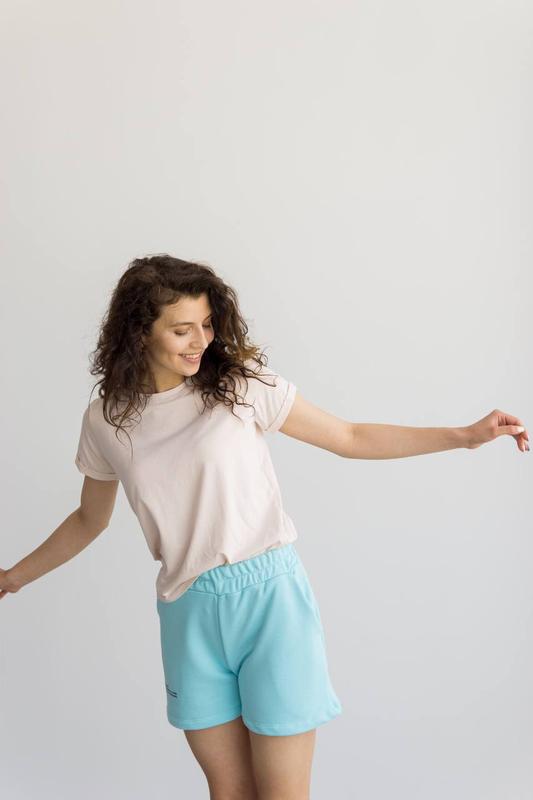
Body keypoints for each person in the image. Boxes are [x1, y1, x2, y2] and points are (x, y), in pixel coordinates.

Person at [0, 255, 528, 800]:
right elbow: (90, 518)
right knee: (228, 791)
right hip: (186, 611)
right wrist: (13, 577)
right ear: (139, 331)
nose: (200, 341)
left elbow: (349, 437)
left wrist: (462, 436)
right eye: (182, 329)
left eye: (207, 324)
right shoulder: (106, 419)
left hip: (269, 602)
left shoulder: (240, 388)